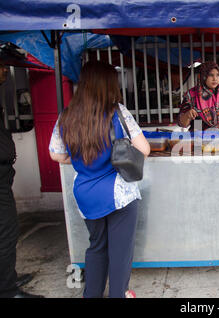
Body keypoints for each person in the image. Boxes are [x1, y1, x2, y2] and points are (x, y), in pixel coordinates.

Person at [49, 61, 150, 298]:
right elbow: (143, 148)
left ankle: (91, 294)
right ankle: (119, 294)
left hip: (85, 192)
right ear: (108, 85)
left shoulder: (66, 116)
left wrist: (80, 159)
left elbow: (56, 154)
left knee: (96, 246)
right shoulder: (118, 112)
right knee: (120, 250)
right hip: (118, 194)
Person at [0, 59, 43, 298]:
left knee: (6, 228)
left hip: (5, 174)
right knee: (6, 230)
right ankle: (7, 290)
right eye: (1, 65)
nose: (6, 69)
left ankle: (8, 276)